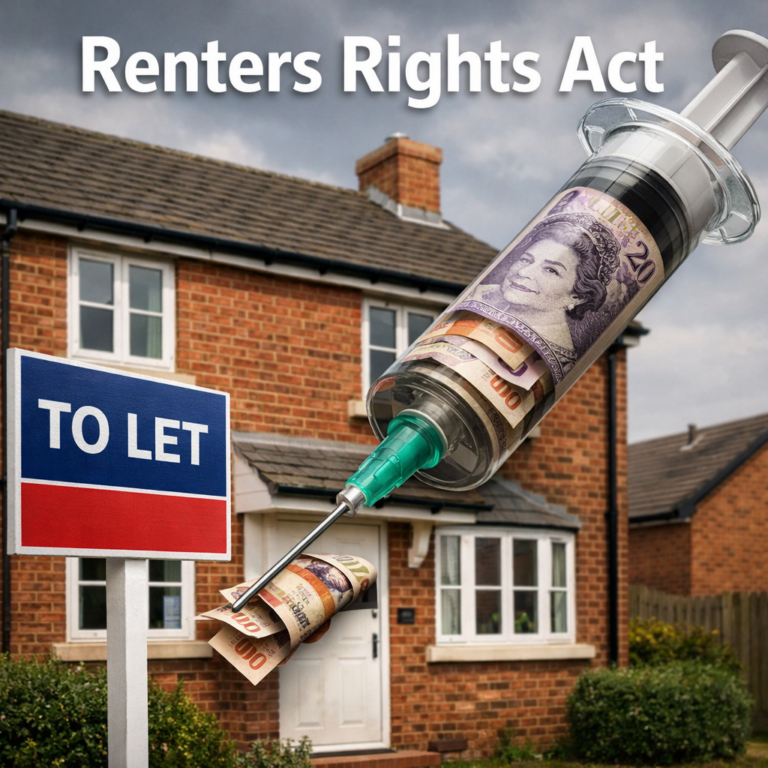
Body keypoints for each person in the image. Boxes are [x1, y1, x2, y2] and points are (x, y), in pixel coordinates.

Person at [470, 212, 620, 371]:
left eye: (551, 270)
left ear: (578, 296)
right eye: (526, 260)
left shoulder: (558, 359)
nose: (524, 272)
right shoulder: (482, 296)